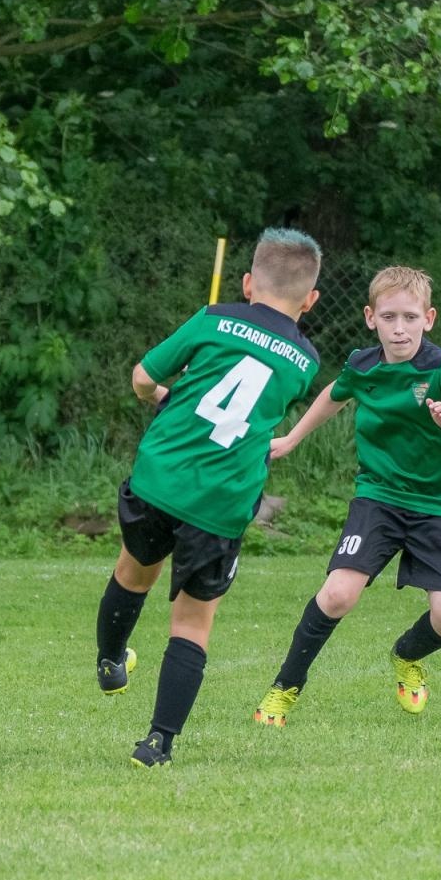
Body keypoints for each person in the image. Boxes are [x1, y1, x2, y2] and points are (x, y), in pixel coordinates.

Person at [94, 228, 323, 767]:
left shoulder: (212, 318)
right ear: (310, 301)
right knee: (192, 623)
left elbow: (142, 377)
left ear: (247, 282)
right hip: (221, 502)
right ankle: (157, 743)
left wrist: (163, 395)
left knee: (132, 572)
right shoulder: (305, 362)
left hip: (160, 478)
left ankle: (109, 660)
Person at [253, 265, 441, 726]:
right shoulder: (363, 365)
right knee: (338, 594)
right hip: (379, 498)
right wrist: (291, 438)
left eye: (409, 317)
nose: (399, 327)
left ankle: (406, 656)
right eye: (389, 317)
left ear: (429, 318)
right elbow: (335, 394)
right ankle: (283, 689)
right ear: (370, 317)